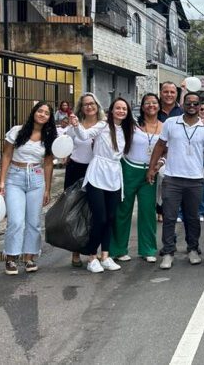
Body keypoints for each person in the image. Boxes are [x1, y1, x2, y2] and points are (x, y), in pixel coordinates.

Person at [147, 92, 204, 270]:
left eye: (195, 103)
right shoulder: (171, 123)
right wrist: (152, 168)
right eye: (188, 103)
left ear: (200, 107)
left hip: (195, 179)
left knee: (192, 218)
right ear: (183, 104)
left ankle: (193, 249)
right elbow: (160, 146)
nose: (192, 106)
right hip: (172, 178)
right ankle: (168, 252)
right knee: (169, 217)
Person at [70, 97, 135, 273]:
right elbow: (84, 135)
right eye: (118, 108)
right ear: (111, 110)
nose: (121, 111)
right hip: (97, 173)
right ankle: (92, 257)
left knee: (111, 218)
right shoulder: (103, 125)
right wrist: (76, 125)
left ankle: (105, 256)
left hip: (114, 175)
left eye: (124, 109)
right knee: (100, 218)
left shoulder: (129, 129)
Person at [0, 101, 56, 275]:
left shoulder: (50, 137)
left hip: (36, 179)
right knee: (16, 221)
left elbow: (48, 164)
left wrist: (47, 189)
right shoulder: (17, 131)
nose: (42, 115)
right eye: (40, 111)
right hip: (15, 177)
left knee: (34, 222)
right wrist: (1, 181)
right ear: (34, 112)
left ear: (49, 117)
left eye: (46, 113)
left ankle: (29, 258)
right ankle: (11, 258)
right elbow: (7, 154)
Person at [109, 93, 163, 264]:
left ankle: (148, 249)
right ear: (142, 106)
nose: (151, 106)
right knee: (123, 210)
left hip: (151, 172)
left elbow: (168, 149)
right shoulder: (131, 125)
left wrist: (159, 164)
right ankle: (118, 249)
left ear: (159, 106)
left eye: (154, 103)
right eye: (147, 103)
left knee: (148, 211)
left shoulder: (165, 126)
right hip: (129, 168)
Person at [63, 92, 106, 267]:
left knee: (96, 212)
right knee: (75, 211)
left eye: (92, 103)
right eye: (85, 104)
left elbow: (85, 136)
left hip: (95, 170)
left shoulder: (103, 125)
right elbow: (67, 143)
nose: (89, 106)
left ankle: (93, 251)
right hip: (75, 170)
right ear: (81, 108)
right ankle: (75, 252)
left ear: (97, 106)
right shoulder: (75, 125)